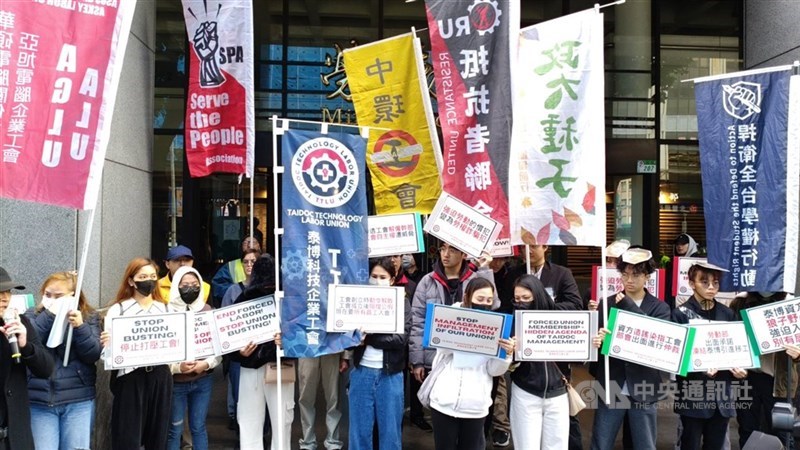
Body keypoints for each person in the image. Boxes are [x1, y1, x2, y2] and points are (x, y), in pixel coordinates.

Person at [409, 242, 496, 431]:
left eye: (452, 250)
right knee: (442, 411)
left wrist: (485, 270)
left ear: (464, 254)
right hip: (436, 355)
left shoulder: (475, 278)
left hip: (472, 360)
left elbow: (493, 309)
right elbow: (417, 322)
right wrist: (417, 360)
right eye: (442, 249)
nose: (445, 254)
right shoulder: (427, 281)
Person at [590, 248, 671, 450]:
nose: (629, 280)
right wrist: (597, 343)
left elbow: (653, 340)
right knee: (601, 442)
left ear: (647, 276)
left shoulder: (660, 308)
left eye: (635, 275)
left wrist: (627, 305)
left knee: (645, 444)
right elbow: (595, 346)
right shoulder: (606, 304)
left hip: (644, 383)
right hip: (612, 382)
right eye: (625, 274)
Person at [427, 277, 516, 450]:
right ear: (468, 297)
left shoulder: (496, 326)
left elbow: (494, 370)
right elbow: (442, 351)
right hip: (444, 402)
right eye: (480, 299)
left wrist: (506, 354)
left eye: (489, 301)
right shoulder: (450, 316)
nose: (484, 304)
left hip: (476, 406)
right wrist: (459, 328)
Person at [511, 244, 583, 449]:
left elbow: (576, 307)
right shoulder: (514, 274)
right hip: (526, 382)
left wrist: (542, 311)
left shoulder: (562, 273)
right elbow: (507, 312)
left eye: (534, 246)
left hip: (557, 379)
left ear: (546, 246)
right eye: (519, 299)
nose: (529, 250)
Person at [671, 262, 745, 450]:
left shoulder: (727, 313)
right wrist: (700, 369)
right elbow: (675, 358)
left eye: (715, 283)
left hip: (722, 395)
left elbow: (736, 351)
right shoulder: (680, 315)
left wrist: (740, 369)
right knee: (690, 445)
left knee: (716, 445)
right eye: (704, 282)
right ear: (691, 283)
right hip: (693, 396)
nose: (711, 287)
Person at [101, 258, 173, 450]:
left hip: (159, 375)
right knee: (127, 436)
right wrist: (108, 346)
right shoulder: (119, 309)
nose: (148, 280)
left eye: (152, 276)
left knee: (158, 437)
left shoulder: (166, 308)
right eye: (142, 277)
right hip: (130, 377)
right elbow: (108, 355)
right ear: (131, 281)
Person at [26, 271, 102, 450]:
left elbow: (92, 354)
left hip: (78, 399)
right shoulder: (32, 315)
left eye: (58, 296)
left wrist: (80, 327)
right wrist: (50, 314)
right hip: (40, 400)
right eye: (47, 294)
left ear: (73, 297)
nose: (52, 299)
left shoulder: (89, 316)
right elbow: (31, 341)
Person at [231, 254, 294, 450]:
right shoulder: (244, 298)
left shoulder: (288, 299)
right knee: (250, 419)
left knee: (281, 420)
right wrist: (238, 352)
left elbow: (303, 333)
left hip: (279, 366)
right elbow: (229, 336)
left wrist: (288, 343)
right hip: (252, 366)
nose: (268, 287)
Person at [348, 257, 411, 450]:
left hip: (390, 375)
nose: (377, 281)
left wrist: (369, 338)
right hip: (361, 372)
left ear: (392, 279)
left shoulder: (402, 302)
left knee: (390, 434)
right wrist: (352, 339)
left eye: (383, 277)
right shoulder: (356, 301)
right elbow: (346, 337)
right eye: (373, 276)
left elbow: (400, 340)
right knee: (359, 433)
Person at [509, 274, 569, 450]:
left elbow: (577, 353)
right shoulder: (513, 321)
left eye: (526, 298)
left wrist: (592, 342)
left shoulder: (562, 319)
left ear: (538, 295)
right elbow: (507, 364)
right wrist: (510, 354)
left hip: (558, 392)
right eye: (517, 299)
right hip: (525, 391)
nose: (521, 303)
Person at [730, 291, 796, 448]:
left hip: (778, 380)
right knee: (747, 427)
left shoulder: (791, 303)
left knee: (782, 429)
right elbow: (730, 335)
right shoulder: (740, 302)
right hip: (747, 376)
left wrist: (798, 354)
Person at [166, 266, 221, 450]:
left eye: (195, 284)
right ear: (176, 286)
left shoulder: (207, 310)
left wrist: (206, 363)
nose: (191, 288)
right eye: (185, 284)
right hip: (176, 383)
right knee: (175, 430)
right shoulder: (166, 312)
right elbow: (160, 350)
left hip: (202, 380)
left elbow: (218, 347)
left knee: (198, 427)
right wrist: (177, 367)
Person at [0, 266, 55, 449]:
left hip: (16, 434)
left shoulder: (20, 322)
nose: (5, 297)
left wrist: (25, 345)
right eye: (0, 292)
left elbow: (46, 369)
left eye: (8, 291)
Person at [221, 247, 261, 431]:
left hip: (262, 355)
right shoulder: (232, 291)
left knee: (261, 398)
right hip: (239, 355)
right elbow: (224, 325)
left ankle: (261, 435)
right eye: (246, 261)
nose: (249, 265)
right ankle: (241, 436)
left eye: (253, 261)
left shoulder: (268, 290)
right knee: (240, 397)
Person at [211, 237, 261, 308]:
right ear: (241, 246)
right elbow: (218, 285)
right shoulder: (231, 266)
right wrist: (236, 292)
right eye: (246, 242)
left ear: (259, 246)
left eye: (253, 242)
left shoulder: (267, 264)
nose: (249, 245)